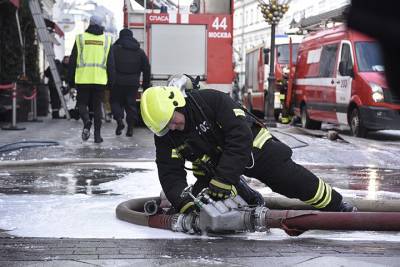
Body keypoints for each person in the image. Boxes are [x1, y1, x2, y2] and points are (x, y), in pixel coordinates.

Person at [140, 85, 357, 215]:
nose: (172, 128)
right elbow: (170, 171)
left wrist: (224, 179)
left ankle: (337, 206)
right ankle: (247, 198)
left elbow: (239, 137)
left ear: (177, 103)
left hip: (255, 150)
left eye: (172, 121)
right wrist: (183, 203)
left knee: (291, 182)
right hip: (216, 170)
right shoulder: (166, 134)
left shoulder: (211, 101)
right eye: (165, 127)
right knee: (202, 204)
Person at [68, 14, 114, 143]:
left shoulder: (80, 38)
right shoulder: (107, 40)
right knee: (97, 107)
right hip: (100, 80)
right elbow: (111, 63)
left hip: (83, 79)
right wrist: (111, 82)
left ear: (90, 23)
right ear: (101, 24)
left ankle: (87, 121)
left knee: (82, 104)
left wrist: (70, 80)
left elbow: (72, 61)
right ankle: (97, 137)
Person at [110, 28, 151, 137]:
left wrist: (109, 81)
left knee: (115, 102)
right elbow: (147, 68)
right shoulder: (139, 51)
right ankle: (130, 128)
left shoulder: (114, 49)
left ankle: (119, 120)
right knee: (130, 105)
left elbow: (109, 66)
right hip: (133, 83)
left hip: (117, 82)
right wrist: (145, 85)